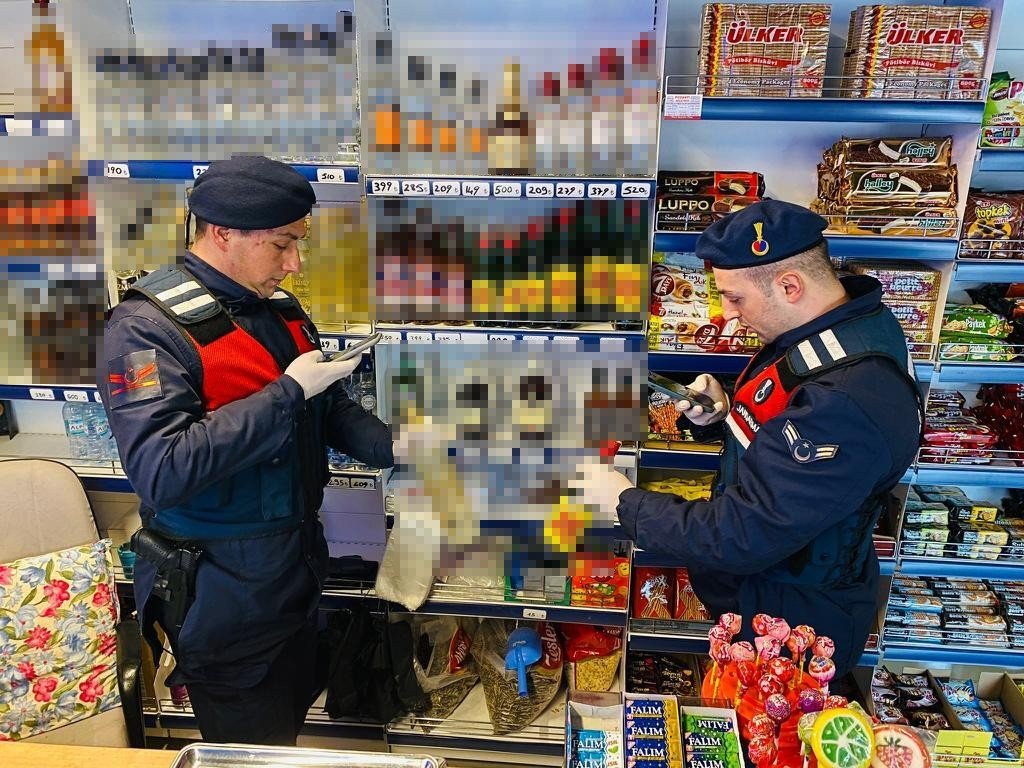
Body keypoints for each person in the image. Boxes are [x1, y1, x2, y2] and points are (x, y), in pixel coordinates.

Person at [99, 156, 395, 745]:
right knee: (249, 750)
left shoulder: (280, 310)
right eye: (282, 244)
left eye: (298, 243)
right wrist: (287, 393)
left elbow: (330, 412)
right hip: (222, 591)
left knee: (282, 732)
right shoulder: (139, 331)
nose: (294, 264)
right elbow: (162, 467)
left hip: (296, 575)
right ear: (223, 232)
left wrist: (424, 447)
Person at [585, 200, 922, 676]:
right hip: (772, 599)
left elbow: (742, 533)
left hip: (795, 634)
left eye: (735, 298)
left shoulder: (847, 399)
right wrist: (725, 413)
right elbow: (790, 438)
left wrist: (623, 501)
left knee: (772, 744)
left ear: (790, 285)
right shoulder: (841, 325)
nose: (727, 316)